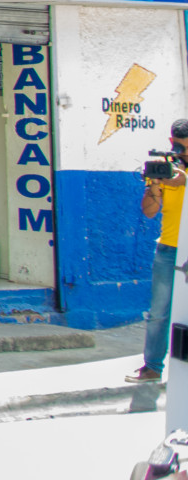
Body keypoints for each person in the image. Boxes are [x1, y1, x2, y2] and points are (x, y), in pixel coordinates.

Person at [132, 119, 188, 382]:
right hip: (168, 249)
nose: (183, 152)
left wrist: (182, 180)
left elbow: (182, 181)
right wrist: (155, 184)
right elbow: (149, 212)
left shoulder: (179, 174)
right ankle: (152, 367)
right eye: (179, 147)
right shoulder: (166, 169)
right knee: (158, 312)